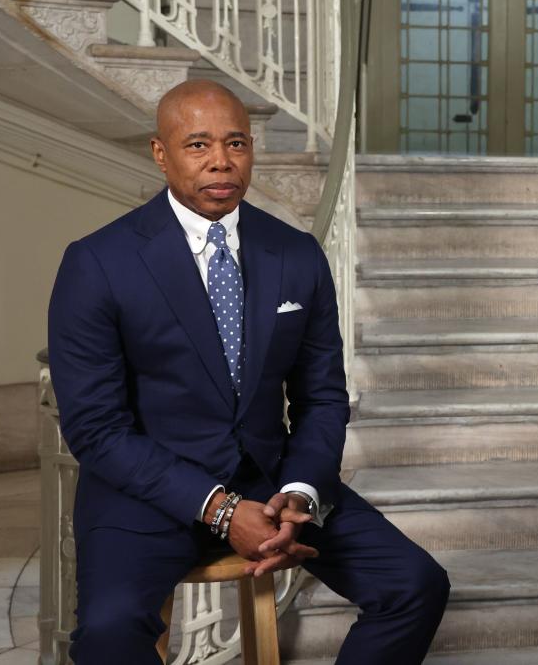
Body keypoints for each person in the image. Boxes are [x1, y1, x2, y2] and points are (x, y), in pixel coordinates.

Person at [47, 80, 449, 664]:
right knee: (108, 637)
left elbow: (321, 398)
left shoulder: (295, 253)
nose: (221, 162)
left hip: (272, 481)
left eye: (236, 144)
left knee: (415, 585)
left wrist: (303, 490)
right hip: (146, 493)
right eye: (198, 145)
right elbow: (95, 429)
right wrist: (220, 509)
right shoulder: (98, 263)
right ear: (160, 153)